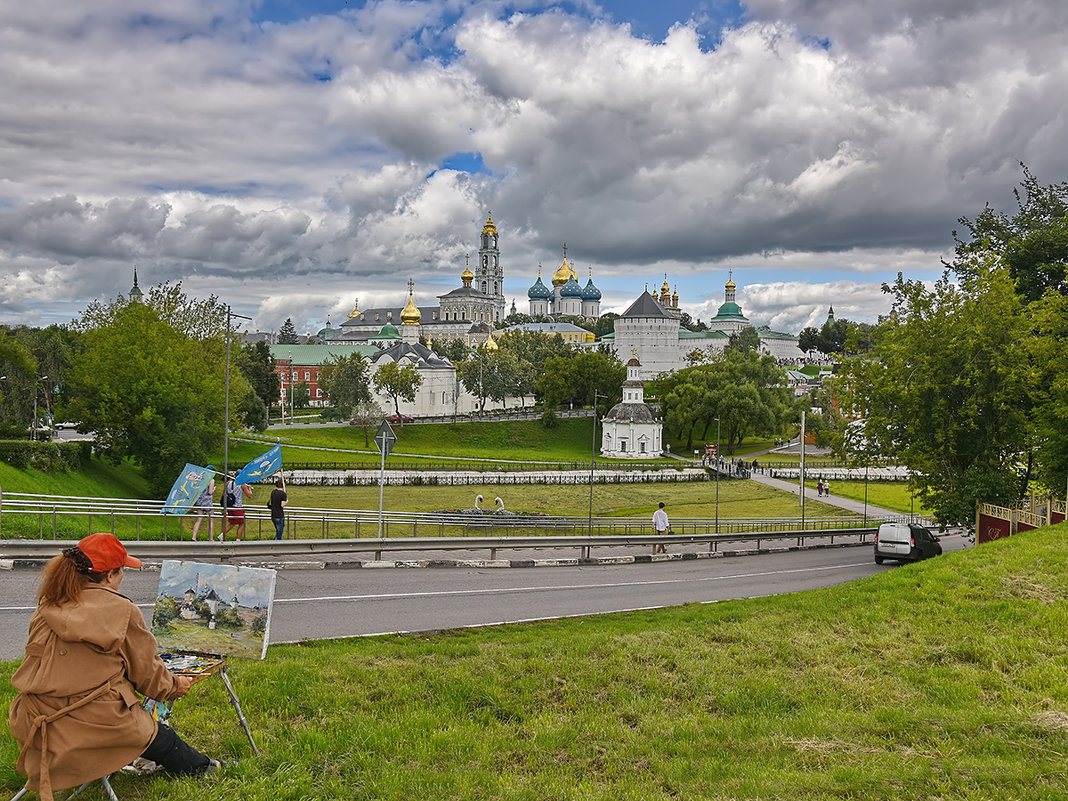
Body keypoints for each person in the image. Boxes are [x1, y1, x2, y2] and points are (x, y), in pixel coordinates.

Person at [8, 533, 219, 800]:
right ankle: (206, 768)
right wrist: (177, 685)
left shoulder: (48, 603)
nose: (122, 579)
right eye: (121, 572)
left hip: (32, 723)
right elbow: (149, 678)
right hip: (91, 726)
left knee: (133, 718)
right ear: (109, 576)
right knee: (158, 734)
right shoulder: (123, 611)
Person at [220, 473, 254, 542]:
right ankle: (238, 540)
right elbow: (249, 495)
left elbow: (224, 493)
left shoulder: (228, 483)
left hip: (230, 506)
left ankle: (221, 535)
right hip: (238, 507)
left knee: (232, 523)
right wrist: (249, 489)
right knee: (242, 523)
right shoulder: (242, 484)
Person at [190, 466, 216, 542]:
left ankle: (194, 537)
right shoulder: (211, 480)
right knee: (211, 520)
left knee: (199, 519)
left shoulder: (200, 479)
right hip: (207, 502)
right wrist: (214, 489)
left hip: (200, 501)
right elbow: (210, 492)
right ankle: (211, 539)